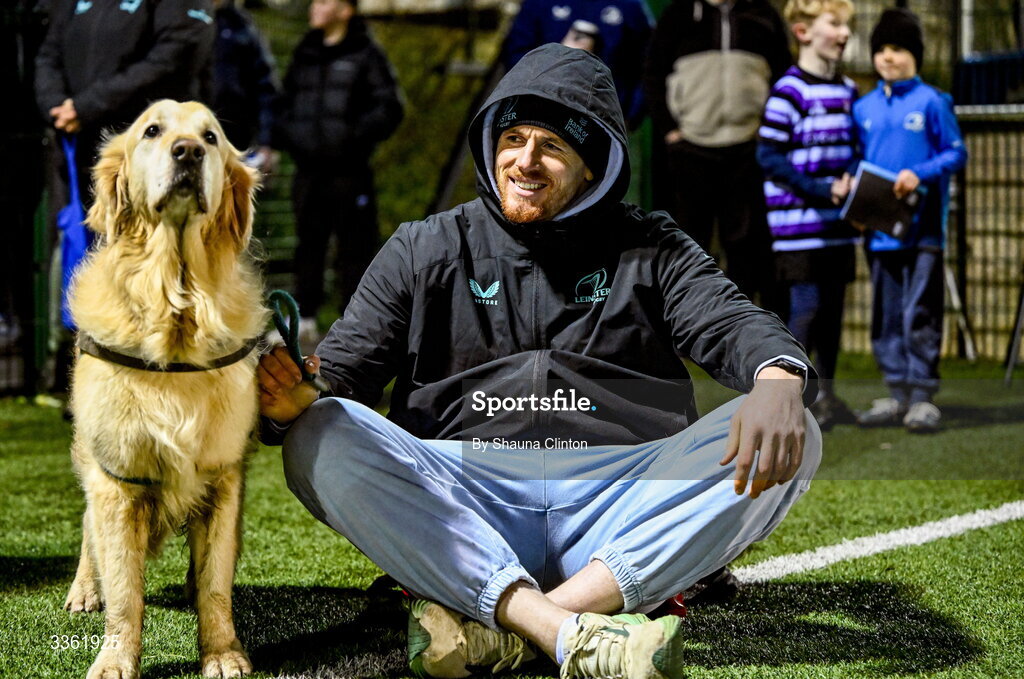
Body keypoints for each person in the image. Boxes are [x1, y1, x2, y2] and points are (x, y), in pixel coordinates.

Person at [259, 44, 822, 679]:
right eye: (513, 138)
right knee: (318, 431)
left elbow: (734, 322)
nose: (525, 161)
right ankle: (570, 633)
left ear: (593, 166)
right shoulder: (424, 246)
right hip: (467, 500)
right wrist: (292, 401)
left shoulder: (652, 247)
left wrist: (779, 373)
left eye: (552, 146)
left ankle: (513, 625)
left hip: (616, 499)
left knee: (797, 429)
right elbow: (341, 370)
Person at [34, 0, 215, 391]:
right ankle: (78, 370)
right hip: (76, 148)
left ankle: (162, 367)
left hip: (150, 160)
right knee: (79, 257)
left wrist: (88, 105)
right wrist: (57, 106)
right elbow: (48, 53)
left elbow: (174, 55)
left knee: (145, 263)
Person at [852, 8, 967, 433]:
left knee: (920, 309)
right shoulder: (862, 109)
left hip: (924, 234)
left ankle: (922, 396)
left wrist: (920, 174)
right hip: (879, 234)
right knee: (885, 312)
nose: (887, 57)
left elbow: (957, 153)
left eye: (897, 48)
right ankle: (896, 393)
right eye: (880, 49)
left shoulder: (934, 102)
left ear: (915, 53)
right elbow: (858, 163)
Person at [644, 0, 792, 310]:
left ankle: (737, 327)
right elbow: (654, 74)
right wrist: (671, 130)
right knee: (689, 244)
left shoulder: (763, 15)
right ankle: (685, 324)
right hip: (691, 150)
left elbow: (783, 78)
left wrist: (769, 130)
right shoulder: (677, 15)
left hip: (747, 150)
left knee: (744, 247)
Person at [274, 0, 403, 342]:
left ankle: (356, 328)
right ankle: (303, 320)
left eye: (325, 1)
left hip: (350, 173)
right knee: (308, 245)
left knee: (355, 250)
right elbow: (283, 105)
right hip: (308, 172)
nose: (315, 7)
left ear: (345, 11)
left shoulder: (366, 54)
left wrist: (351, 139)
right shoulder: (305, 53)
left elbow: (389, 107)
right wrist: (291, 137)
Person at [756, 0, 858, 430]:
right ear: (802, 32)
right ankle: (790, 401)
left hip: (838, 230)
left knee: (833, 312)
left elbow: (856, 152)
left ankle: (828, 396)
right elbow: (769, 155)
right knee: (807, 311)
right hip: (798, 229)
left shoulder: (849, 90)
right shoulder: (789, 91)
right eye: (834, 24)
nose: (844, 33)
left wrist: (855, 183)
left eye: (846, 25)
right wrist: (821, 190)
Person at [503, 0, 653, 129]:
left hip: (606, 119)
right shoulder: (539, 4)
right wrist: (556, 59)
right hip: (546, 115)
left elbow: (649, 63)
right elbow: (515, 57)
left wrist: (632, 115)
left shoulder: (630, 6)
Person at [211, 0, 280, 174]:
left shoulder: (243, 27)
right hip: (187, 136)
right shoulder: (181, 19)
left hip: (235, 140)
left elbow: (266, 88)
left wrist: (266, 142)